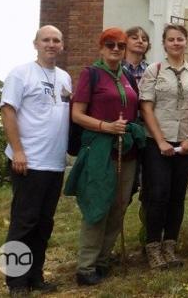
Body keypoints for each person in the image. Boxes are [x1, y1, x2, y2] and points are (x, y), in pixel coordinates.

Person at [65, 28, 146, 285]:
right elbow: (77, 114)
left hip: (127, 151)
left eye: (120, 46)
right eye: (110, 45)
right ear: (101, 47)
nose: (115, 49)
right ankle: (86, 267)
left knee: (119, 207)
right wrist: (106, 126)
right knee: (98, 205)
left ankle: (103, 259)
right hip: (100, 150)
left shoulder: (127, 77)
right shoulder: (91, 74)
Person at [0, 25, 72, 295]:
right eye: (46, 40)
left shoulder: (65, 78)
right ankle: (15, 282)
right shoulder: (21, 74)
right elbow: (8, 112)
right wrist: (17, 150)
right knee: (24, 222)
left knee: (44, 223)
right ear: (36, 44)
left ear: (62, 45)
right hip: (28, 161)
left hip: (54, 163)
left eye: (56, 40)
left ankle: (36, 276)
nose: (51, 44)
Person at [139, 24, 188, 269]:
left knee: (177, 196)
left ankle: (170, 245)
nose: (176, 43)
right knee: (157, 195)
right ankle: (152, 247)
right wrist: (160, 140)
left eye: (180, 39)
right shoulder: (154, 70)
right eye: (171, 39)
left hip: (187, 142)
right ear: (164, 43)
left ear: (186, 42)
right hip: (158, 142)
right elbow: (146, 107)